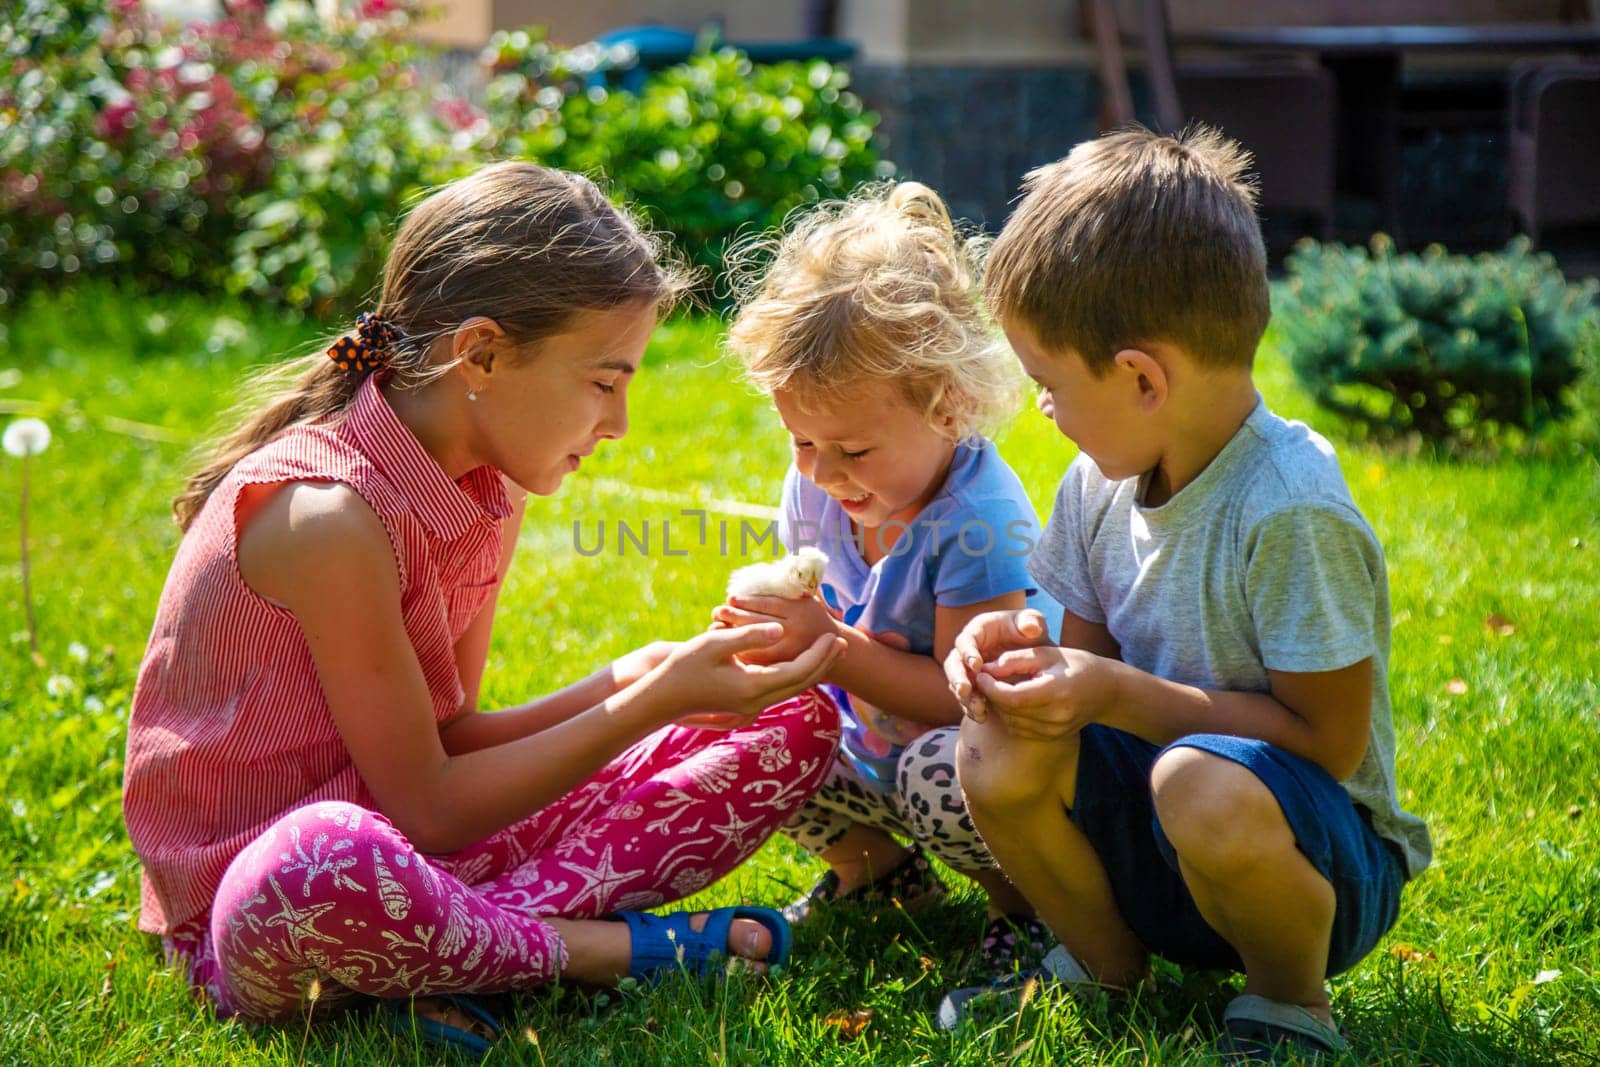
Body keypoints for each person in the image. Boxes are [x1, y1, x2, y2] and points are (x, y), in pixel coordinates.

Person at [122, 162, 847, 1054]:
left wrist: (647, 674)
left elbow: (451, 736)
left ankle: (442, 959)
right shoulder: (328, 517)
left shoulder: (488, 488)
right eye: (603, 381)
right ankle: (594, 952)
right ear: (483, 354)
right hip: (271, 911)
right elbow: (428, 808)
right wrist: (647, 705)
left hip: (418, 855)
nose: (620, 422)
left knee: (796, 721)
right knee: (324, 853)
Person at [939, 128, 1432, 1061]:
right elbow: (1082, 665)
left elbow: (1330, 742)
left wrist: (1117, 694)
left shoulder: (1288, 506)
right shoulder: (1097, 481)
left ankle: (1290, 1005)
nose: (1041, 407)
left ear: (1141, 377)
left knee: (1197, 778)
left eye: (1048, 383)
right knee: (998, 746)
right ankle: (1105, 968)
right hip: (1168, 834)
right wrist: (1016, 659)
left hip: (1315, 858)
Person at [717, 182, 1060, 980]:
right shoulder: (816, 484)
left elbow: (960, 694)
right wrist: (768, 638)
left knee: (945, 767)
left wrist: (830, 648)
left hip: (987, 757)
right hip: (869, 740)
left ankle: (1031, 905)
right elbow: (812, 616)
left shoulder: (978, 517)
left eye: (854, 451)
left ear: (950, 406)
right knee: (747, 728)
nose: (824, 472)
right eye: (802, 440)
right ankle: (877, 873)